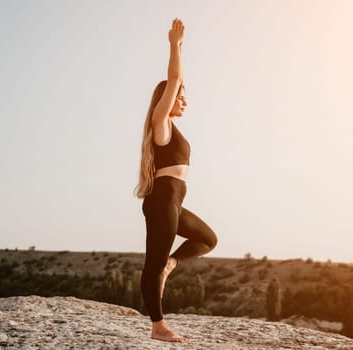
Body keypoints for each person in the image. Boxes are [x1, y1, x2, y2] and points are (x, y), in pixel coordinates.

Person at [133, 18, 218, 343]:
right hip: (162, 201)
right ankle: (158, 326)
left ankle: (172, 263)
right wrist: (175, 45)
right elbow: (174, 78)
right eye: (180, 97)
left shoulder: (171, 129)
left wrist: (179, 47)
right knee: (152, 265)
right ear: (166, 101)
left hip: (173, 202)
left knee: (208, 239)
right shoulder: (161, 124)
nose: (184, 101)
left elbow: (177, 82)